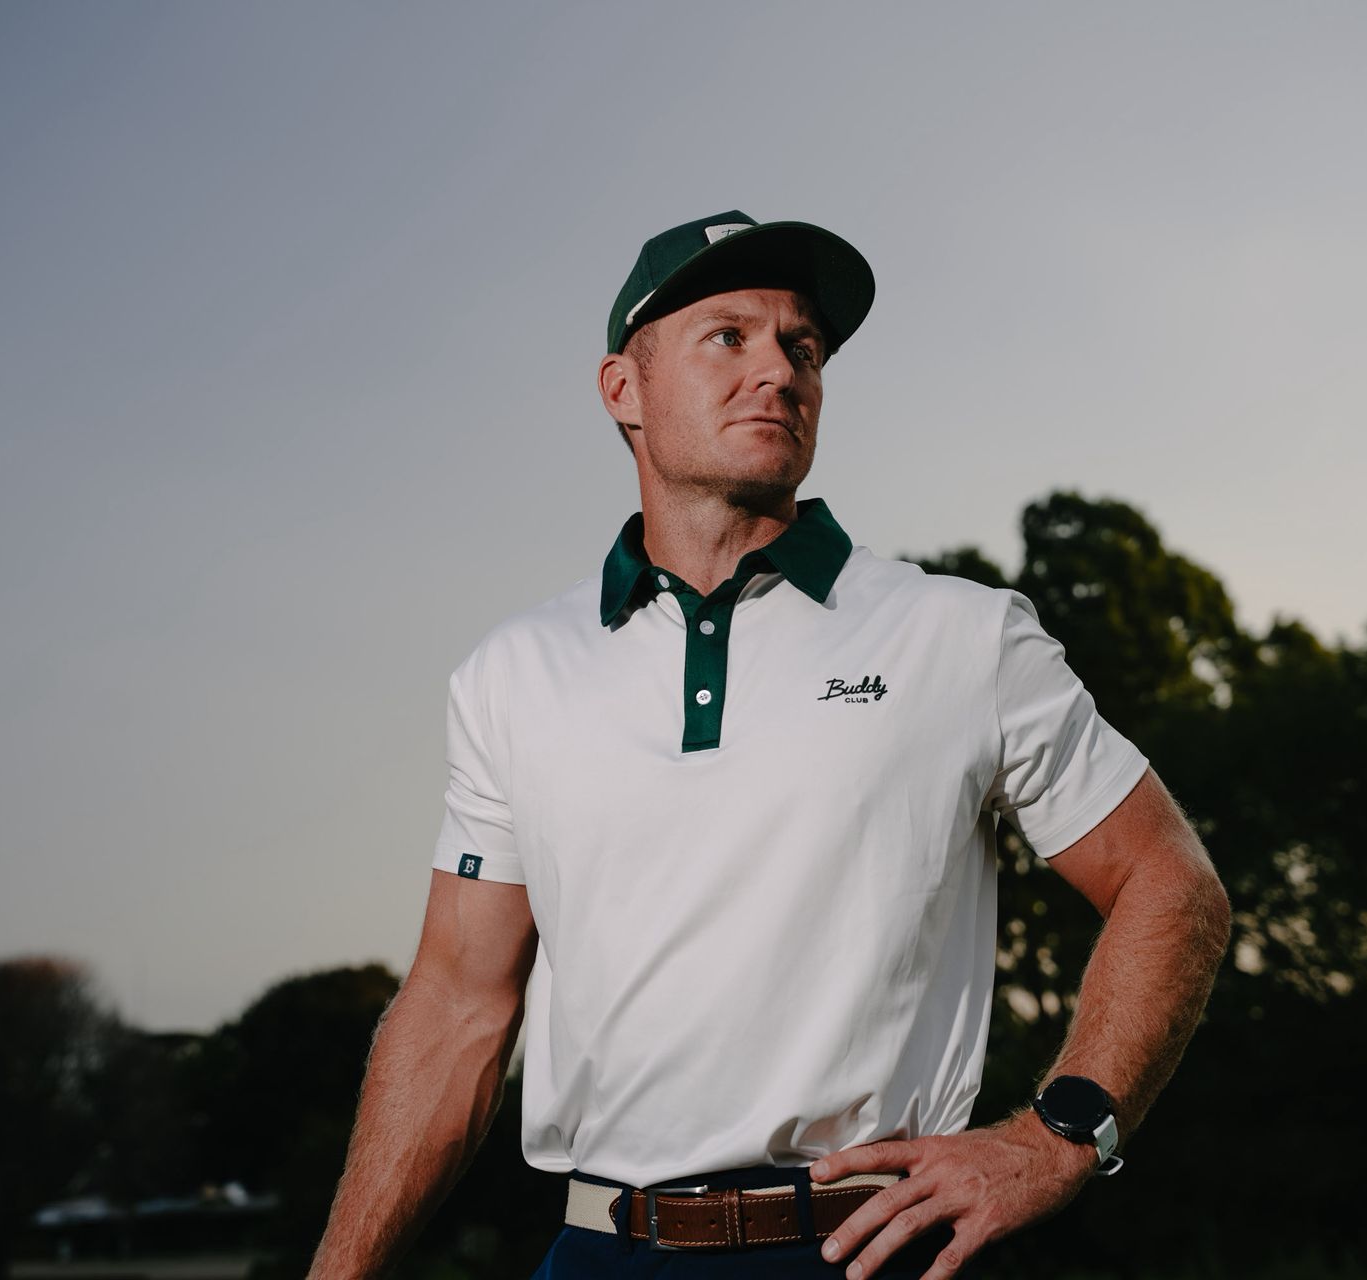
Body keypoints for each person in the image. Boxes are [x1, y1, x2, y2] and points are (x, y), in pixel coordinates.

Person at [308, 212, 1231, 1280]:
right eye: (729, 336)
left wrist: (1056, 1138)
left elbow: (1172, 881)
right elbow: (456, 1007)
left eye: (803, 347)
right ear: (623, 389)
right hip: (601, 1251)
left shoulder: (960, 634)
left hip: (863, 1246)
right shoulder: (512, 673)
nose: (779, 372)